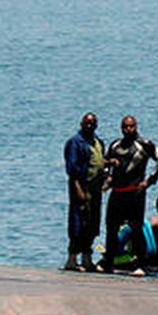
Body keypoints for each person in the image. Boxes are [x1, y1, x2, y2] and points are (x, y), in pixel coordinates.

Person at [98, 115, 158, 272]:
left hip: (135, 193)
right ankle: (109, 261)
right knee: (111, 227)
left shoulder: (144, 144)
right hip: (117, 192)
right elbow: (105, 162)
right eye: (125, 127)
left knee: (136, 228)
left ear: (136, 127)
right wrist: (107, 175)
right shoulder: (115, 145)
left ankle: (140, 264)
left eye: (131, 126)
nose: (128, 129)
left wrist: (150, 181)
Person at [62, 112, 104, 271]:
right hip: (81, 187)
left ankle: (87, 258)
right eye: (87, 123)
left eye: (92, 124)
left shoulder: (98, 142)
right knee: (78, 224)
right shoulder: (75, 142)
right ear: (81, 124)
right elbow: (72, 170)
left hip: (96, 189)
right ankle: (72, 259)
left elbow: (98, 162)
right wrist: (78, 190)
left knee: (93, 223)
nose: (89, 126)